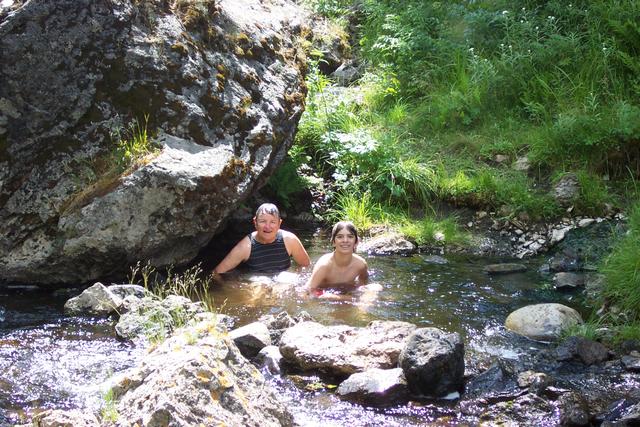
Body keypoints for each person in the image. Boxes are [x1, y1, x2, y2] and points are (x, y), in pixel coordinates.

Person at [213, 203, 310, 274]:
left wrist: (297, 276)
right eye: (263, 221)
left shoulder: (289, 240)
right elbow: (217, 272)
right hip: (257, 283)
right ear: (255, 222)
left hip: (282, 280)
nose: (267, 227)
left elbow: (306, 265)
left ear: (279, 223)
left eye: (272, 222)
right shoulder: (246, 246)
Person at [306, 221, 369, 295]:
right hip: (326, 298)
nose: (345, 240)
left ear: (356, 242)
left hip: (347, 294)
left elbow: (363, 284)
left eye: (350, 236)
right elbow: (307, 291)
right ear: (333, 242)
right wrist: (342, 298)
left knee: (375, 287)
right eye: (340, 237)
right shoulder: (324, 265)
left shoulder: (360, 265)